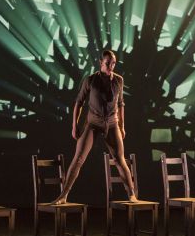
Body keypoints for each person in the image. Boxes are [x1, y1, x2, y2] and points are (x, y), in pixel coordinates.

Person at [51, 50, 139, 205]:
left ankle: (132, 194)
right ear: (100, 62)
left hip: (112, 124)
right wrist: (74, 126)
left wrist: (122, 126)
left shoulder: (119, 80)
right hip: (93, 124)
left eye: (113, 63)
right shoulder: (90, 80)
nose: (111, 66)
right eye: (108, 63)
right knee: (78, 158)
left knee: (120, 159)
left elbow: (121, 104)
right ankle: (63, 195)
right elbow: (78, 102)